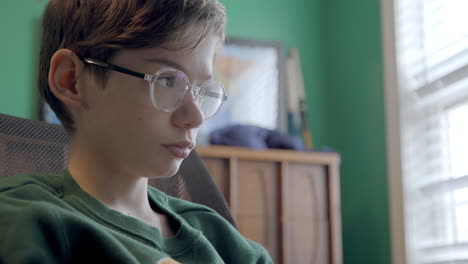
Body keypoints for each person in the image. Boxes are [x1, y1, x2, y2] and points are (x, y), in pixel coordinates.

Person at [0, 0, 273, 263]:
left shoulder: (218, 235)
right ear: (71, 80)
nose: (196, 117)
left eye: (202, 91)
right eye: (168, 81)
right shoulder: (23, 221)